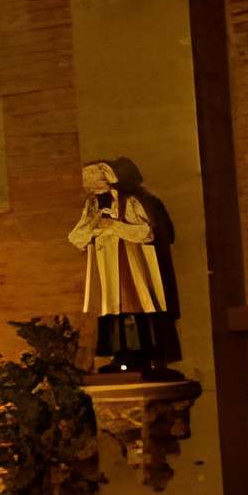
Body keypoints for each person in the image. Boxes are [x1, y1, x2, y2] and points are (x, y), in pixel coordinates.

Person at [69, 160, 174, 373]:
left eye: (91, 179)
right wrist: (95, 227)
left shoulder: (131, 201)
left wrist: (115, 226)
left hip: (129, 264)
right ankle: (118, 353)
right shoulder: (92, 206)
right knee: (110, 306)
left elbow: (146, 232)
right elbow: (76, 237)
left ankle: (140, 353)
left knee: (132, 304)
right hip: (105, 264)